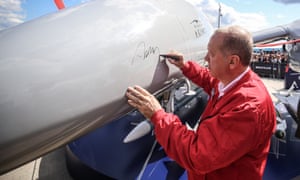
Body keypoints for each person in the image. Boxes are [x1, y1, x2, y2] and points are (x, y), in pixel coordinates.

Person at [126, 25, 276, 180]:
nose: (205, 59)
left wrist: (158, 116)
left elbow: (197, 155)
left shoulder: (247, 110)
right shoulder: (233, 81)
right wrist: (185, 66)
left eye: (211, 54)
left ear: (232, 61)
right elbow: (211, 81)